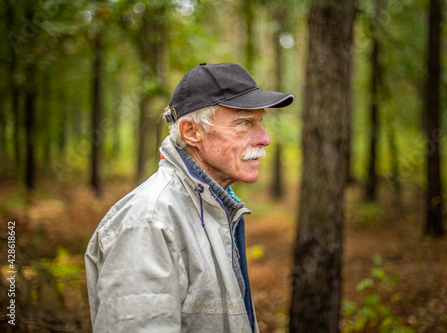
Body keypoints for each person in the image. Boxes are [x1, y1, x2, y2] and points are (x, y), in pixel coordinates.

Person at [85, 62, 294, 332]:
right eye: (245, 122)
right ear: (192, 132)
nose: (264, 138)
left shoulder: (214, 206)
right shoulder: (149, 222)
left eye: (260, 123)